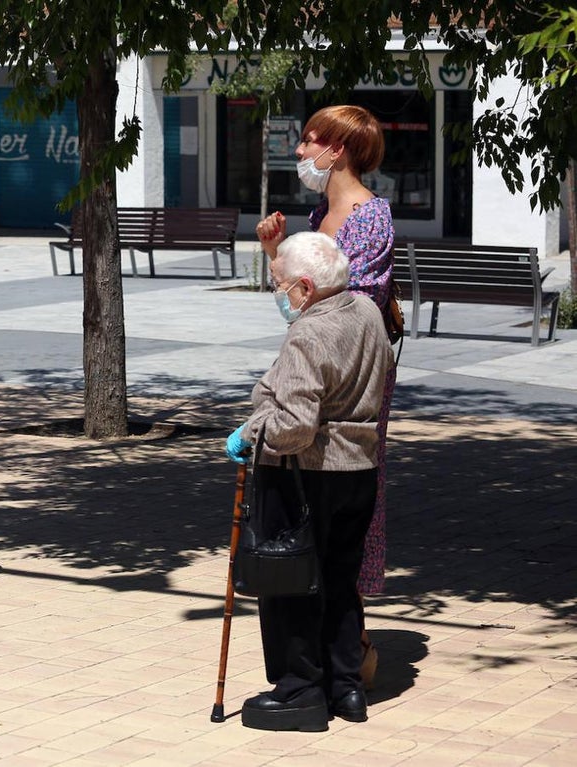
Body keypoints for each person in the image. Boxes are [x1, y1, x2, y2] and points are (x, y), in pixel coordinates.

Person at [225, 231, 392, 731]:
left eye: (279, 284)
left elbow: (295, 427)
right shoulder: (366, 311)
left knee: (289, 582)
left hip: (309, 476)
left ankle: (300, 691)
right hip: (359, 470)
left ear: (304, 287)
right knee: (339, 581)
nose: (277, 293)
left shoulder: (308, 332)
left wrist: (253, 430)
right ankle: (345, 688)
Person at [255, 104, 395, 685]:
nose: (301, 151)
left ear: (338, 150)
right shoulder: (318, 213)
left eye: (310, 141)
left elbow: (342, 308)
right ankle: (326, 656)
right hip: (315, 371)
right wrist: (275, 251)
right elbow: (302, 299)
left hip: (351, 381)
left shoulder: (371, 217)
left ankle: (348, 653)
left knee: (341, 511)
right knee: (310, 512)